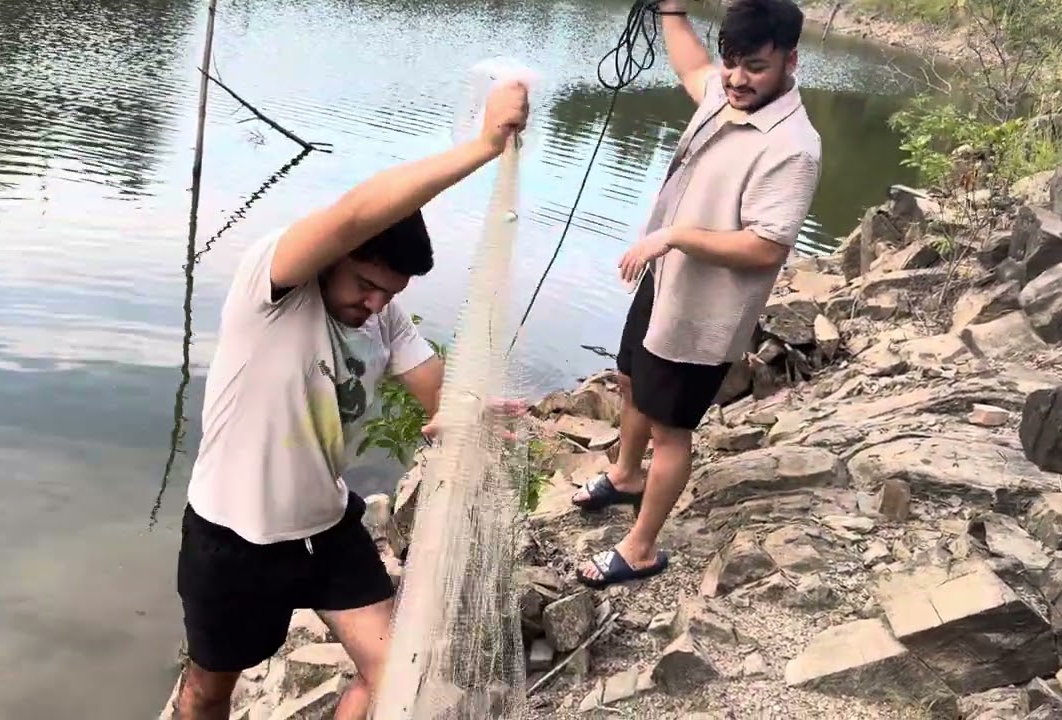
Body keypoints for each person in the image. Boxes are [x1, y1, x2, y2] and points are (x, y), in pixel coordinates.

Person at [173, 82, 531, 720]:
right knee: (207, 692)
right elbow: (354, 214)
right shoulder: (274, 288)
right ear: (335, 259)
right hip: (232, 539)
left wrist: (466, 412)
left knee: (396, 677)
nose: (375, 304)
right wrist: (483, 148)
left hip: (327, 529)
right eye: (366, 284)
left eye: (387, 293)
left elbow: (435, 393)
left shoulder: (383, 320)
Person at [571, 0, 822, 589]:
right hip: (664, 282)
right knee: (630, 378)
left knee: (671, 429)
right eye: (732, 63)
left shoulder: (793, 147)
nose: (735, 78)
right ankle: (625, 476)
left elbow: (766, 248)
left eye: (754, 67)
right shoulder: (726, 95)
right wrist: (672, 10)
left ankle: (639, 549)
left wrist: (676, 236)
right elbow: (691, 66)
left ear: (790, 61)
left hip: (702, 318)